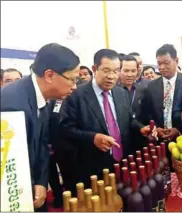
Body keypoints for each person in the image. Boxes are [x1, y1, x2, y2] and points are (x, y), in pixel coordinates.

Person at [1, 43, 80, 211]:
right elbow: (10, 165)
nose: (74, 86)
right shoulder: (13, 106)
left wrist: (41, 182)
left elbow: (42, 143)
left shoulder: (43, 96)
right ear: (50, 75)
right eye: (72, 79)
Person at [59, 49, 153, 189]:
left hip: (122, 163)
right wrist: (93, 138)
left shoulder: (120, 93)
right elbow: (66, 129)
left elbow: (128, 120)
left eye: (116, 71)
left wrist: (141, 128)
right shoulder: (76, 95)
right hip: (92, 167)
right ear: (94, 69)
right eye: (106, 70)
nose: (111, 76)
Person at [142, 44, 182, 141]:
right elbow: (148, 112)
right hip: (159, 139)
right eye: (159, 63)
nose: (162, 67)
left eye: (166, 63)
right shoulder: (151, 86)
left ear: (176, 61)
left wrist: (179, 130)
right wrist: (155, 128)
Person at [119, 55, 147, 152]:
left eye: (133, 71)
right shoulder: (113, 91)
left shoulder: (143, 90)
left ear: (137, 71)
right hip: (119, 141)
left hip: (140, 138)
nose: (130, 74)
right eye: (126, 71)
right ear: (119, 70)